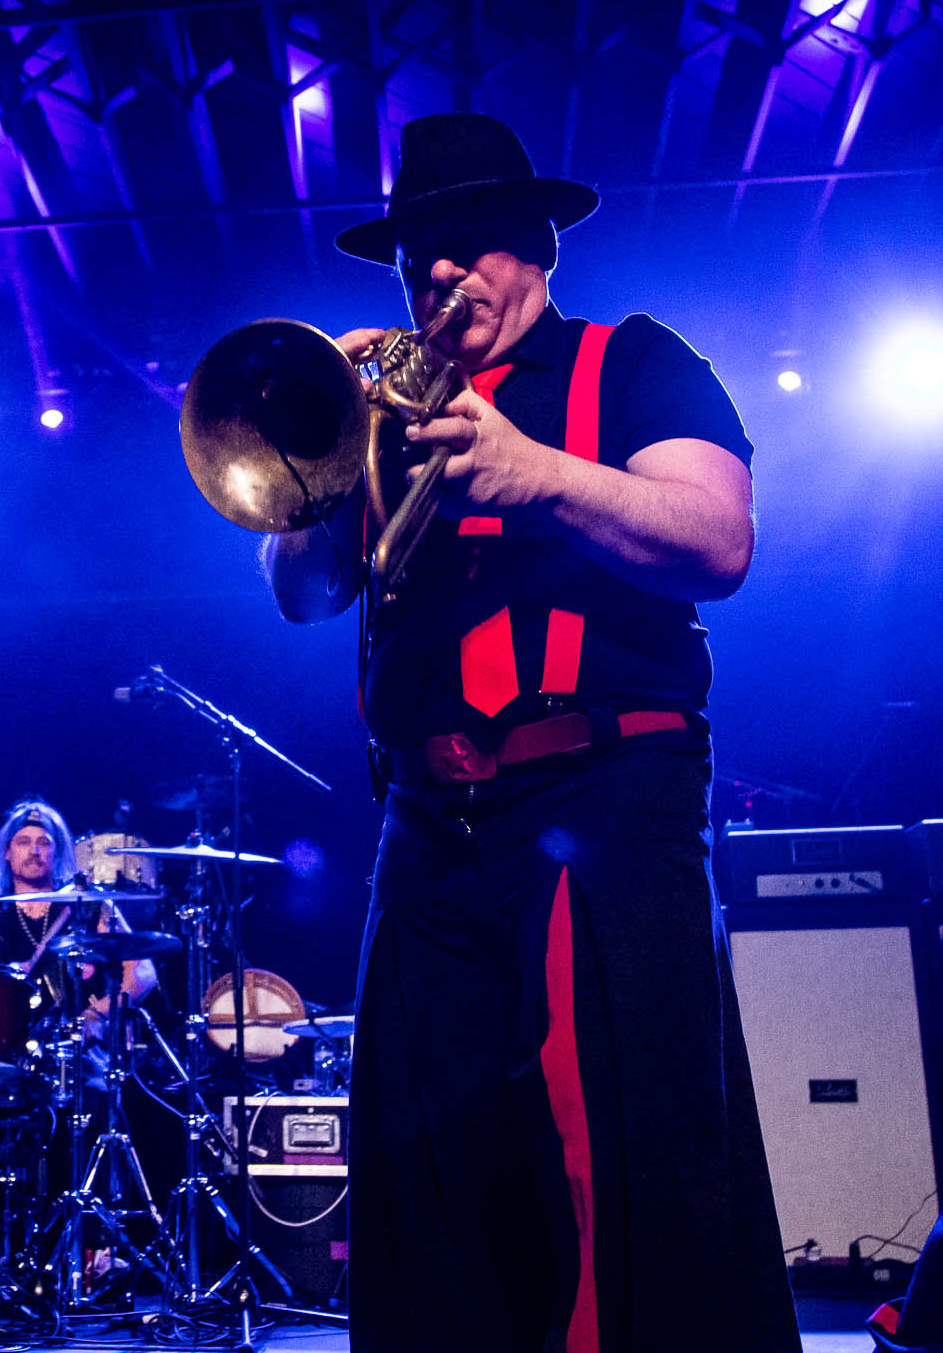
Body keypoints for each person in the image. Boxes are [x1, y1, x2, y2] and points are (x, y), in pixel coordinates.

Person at [261, 114, 798, 1349]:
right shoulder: (384, 413)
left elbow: (717, 543)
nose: (436, 274)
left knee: (613, 1150)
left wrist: (539, 472)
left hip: (600, 800)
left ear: (533, 245)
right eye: (415, 257)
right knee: (424, 1166)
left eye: (463, 245)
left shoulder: (634, 361)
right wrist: (322, 454)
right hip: (424, 825)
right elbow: (299, 594)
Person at [0, 799, 157, 1041]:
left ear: (57, 853)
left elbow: (144, 973)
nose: (35, 851)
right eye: (24, 842)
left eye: (44, 843)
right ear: (7, 852)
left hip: (78, 1054)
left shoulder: (89, 904)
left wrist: (98, 1014)